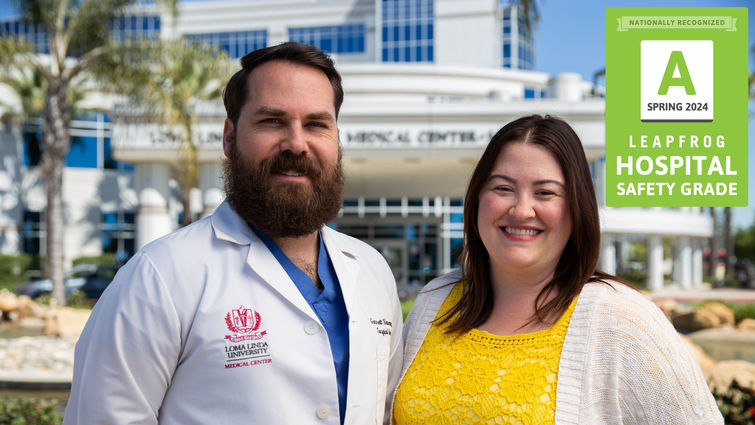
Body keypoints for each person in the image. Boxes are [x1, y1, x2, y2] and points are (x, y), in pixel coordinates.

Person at [63, 42, 403, 425]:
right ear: (229, 137)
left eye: (316, 124)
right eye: (272, 121)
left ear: (336, 139)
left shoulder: (373, 271)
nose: (296, 143)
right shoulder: (158, 276)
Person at [391, 115, 722, 424]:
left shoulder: (624, 321)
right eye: (502, 188)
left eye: (545, 193)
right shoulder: (433, 301)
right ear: (477, 199)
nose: (521, 209)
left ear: (576, 209)